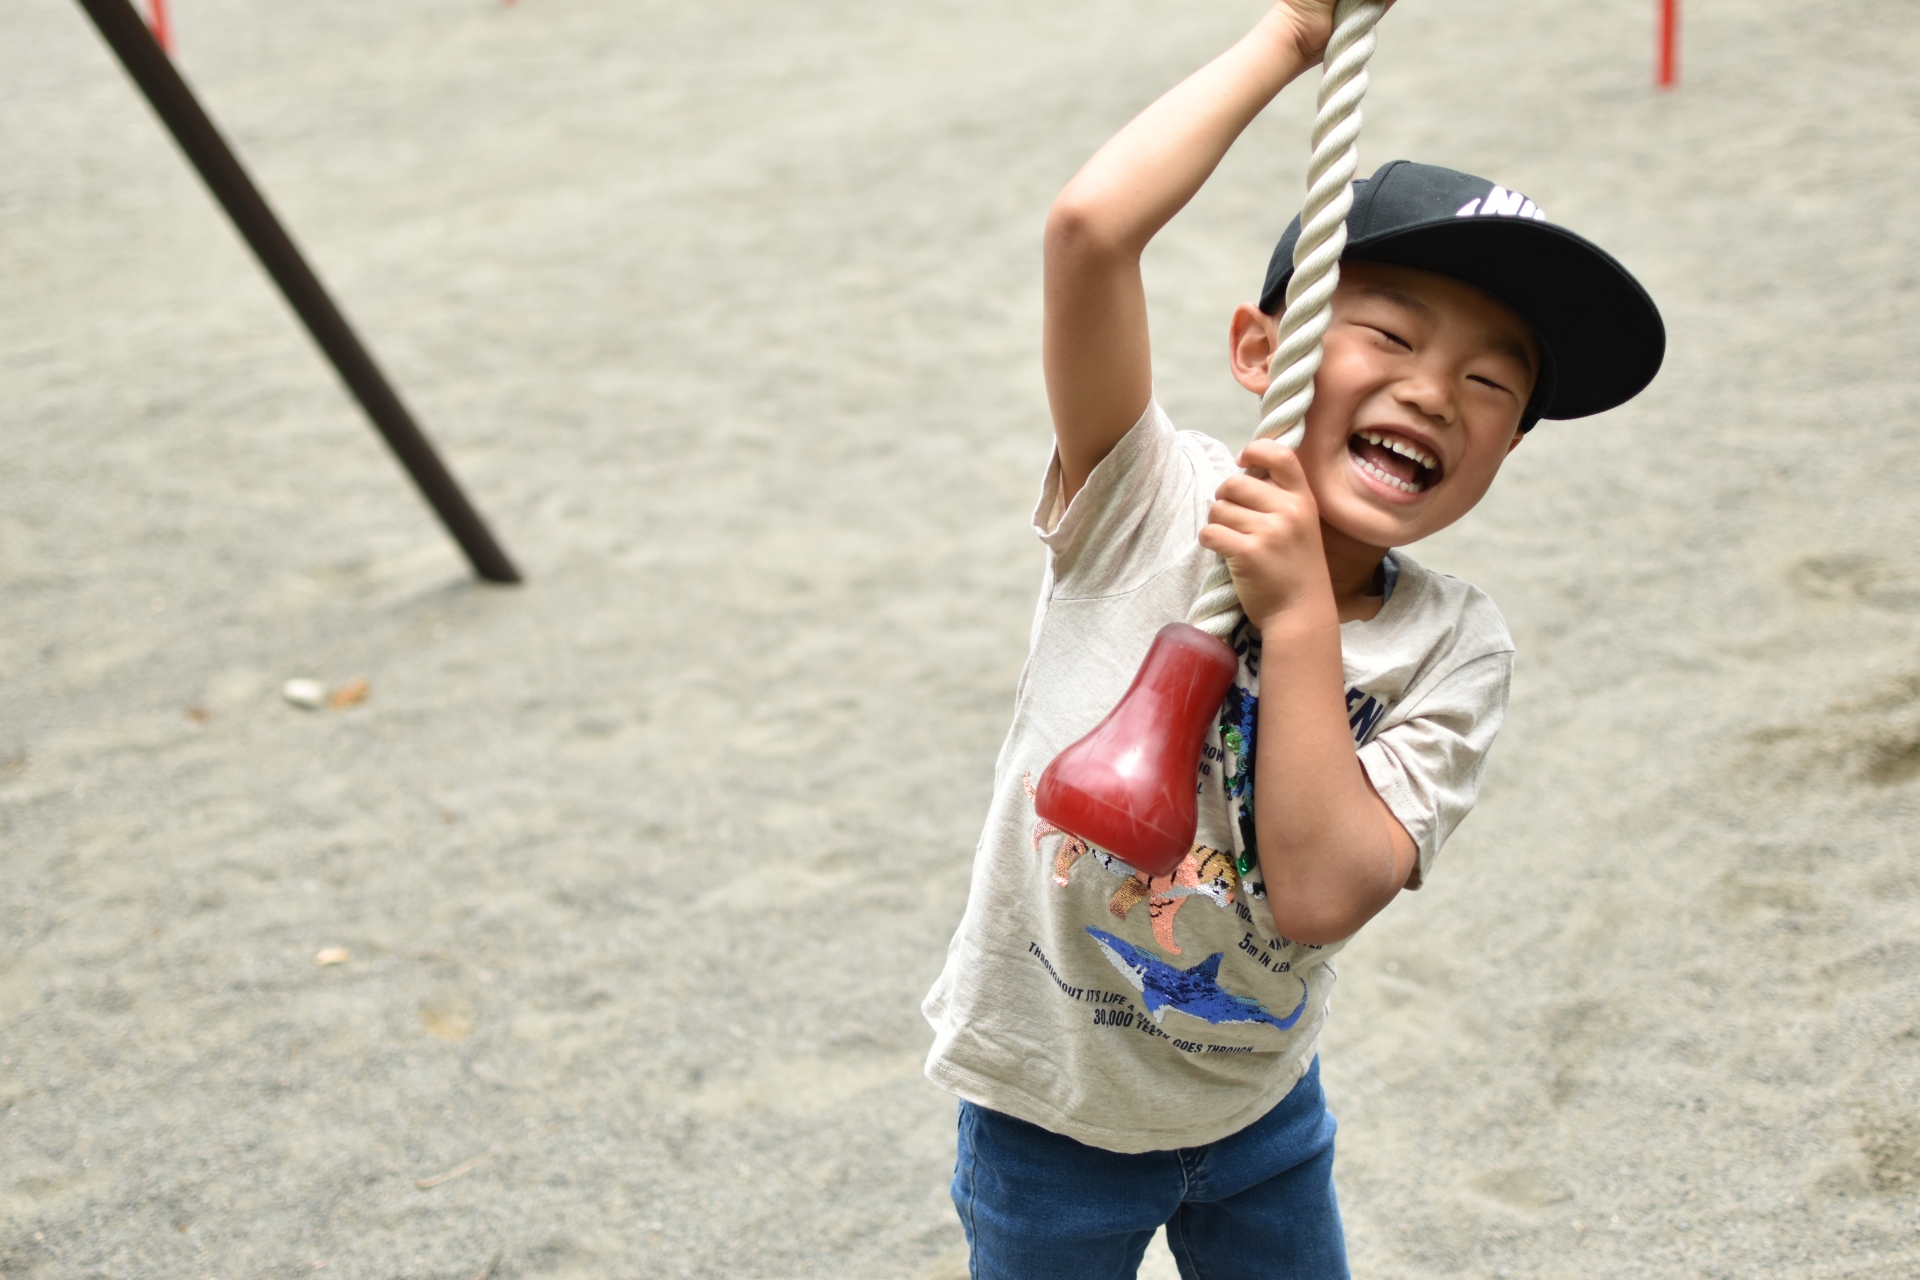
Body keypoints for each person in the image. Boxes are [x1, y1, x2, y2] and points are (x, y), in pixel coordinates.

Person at [920, 2, 1665, 1277]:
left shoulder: (1453, 647)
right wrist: (1288, 40)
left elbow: (1322, 892)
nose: (1436, 389)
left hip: (1261, 1114)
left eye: (1495, 381)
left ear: (1512, 440)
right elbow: (1090, 234)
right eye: (1390, 332)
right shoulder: (1151, 504)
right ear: (1266, 347)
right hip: (1050, 1107)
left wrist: (1302, 620)